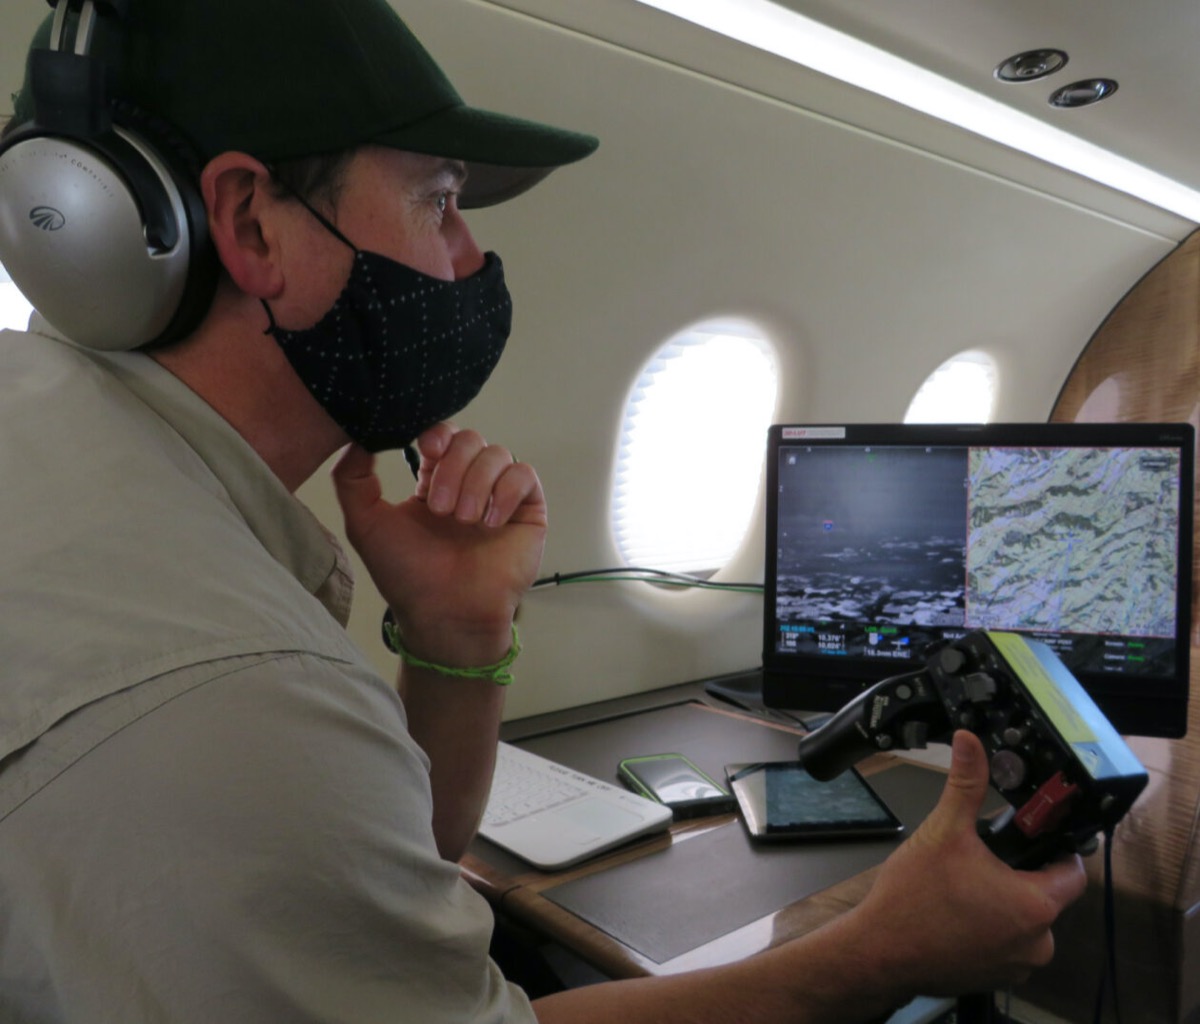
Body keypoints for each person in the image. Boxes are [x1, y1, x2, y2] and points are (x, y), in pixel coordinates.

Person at [0, 1, 1085, 1021]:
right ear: (249, 224)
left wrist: (457, 638)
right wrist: (881, 954)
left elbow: (380, 888)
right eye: (438, 199)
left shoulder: (71, 456)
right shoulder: (224, 690)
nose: (469, 255)